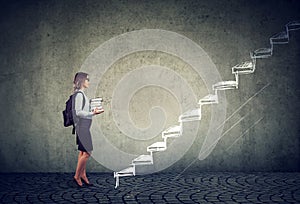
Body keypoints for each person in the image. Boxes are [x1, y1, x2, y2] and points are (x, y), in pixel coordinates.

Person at [72, 72, 104, 187]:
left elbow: (83, 111)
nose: (88, 82)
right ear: (81, 81)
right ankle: (77, 176)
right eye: (87, 80)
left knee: (82, 152)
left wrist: (93, 112)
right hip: (83, 128)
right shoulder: (79, 95)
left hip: (83, 126)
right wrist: (92, 113)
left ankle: (83, 175)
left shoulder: (81, 94)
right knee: (87, 152)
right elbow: (78, 112)